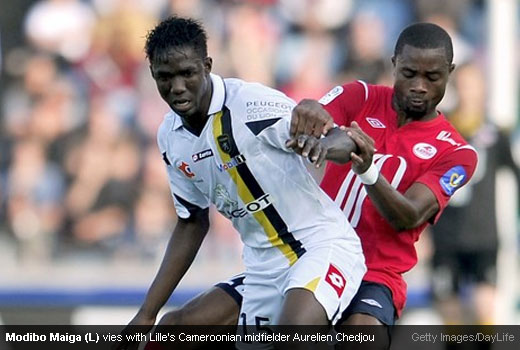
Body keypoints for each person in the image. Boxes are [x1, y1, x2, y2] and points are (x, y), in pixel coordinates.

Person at [120, 22, 479, 350]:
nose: (419, 85)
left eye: (432, 77)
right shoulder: (361, 96)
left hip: (372, 272)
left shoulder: (457, 153)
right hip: (290, 256)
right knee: (175, 332)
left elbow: (409, 214)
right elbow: (317, 123)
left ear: (449, 73)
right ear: (394, 64)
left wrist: (363, 166)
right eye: (409, 73)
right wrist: (318, 136)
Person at [116, 16, 367, 350]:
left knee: (294, 336)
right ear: (152, 75)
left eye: (187, 73)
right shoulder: (171, 138)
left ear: (207, 65)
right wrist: (146, 314)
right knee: (170, 332)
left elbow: (338, 136)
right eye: (165, 77)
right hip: (262, 270)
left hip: (322, 247)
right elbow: (191, 222)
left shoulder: (251, 105)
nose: (177, 87)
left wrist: (324, 145)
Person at [430, 62, 520, 325]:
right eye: (464, 84)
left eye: (474, 84)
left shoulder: (494, 134)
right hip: (446, 234)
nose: (469, 91)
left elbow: (514, 173)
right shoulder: (441, 128)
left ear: (483, 88)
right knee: (450, 311)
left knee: (485, 309)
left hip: (484, 237)